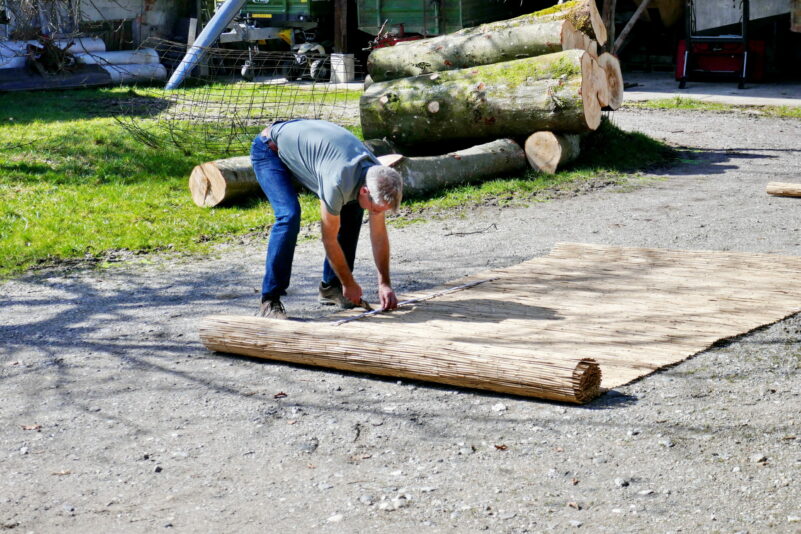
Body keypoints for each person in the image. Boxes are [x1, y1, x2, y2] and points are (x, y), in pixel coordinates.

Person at [251, 119, 403, 319]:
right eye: (376, 209)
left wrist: (384, 283)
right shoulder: (337, 181)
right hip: (270, 149)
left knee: (353, 208)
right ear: (365, 190)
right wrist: (350, 283)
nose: (376, 213)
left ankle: (332, 288)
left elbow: (379, 235)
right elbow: (328, 238)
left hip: (310, 153)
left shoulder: (377, 174)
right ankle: (269, 300)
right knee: (289, 215)